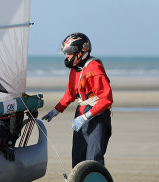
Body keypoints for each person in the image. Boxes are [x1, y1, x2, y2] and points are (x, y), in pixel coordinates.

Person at [42, 32, 113, 168]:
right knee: (78, 158)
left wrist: (86, 116)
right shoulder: (75, 69)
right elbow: (70, 94)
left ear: (80, 51)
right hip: (81, 114)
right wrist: (55, 111)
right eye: (65, 53)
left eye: (68, 52)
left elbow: (106, 99)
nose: (66, 56)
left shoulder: (94, 68)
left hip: (96, 116)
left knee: (94, 159)